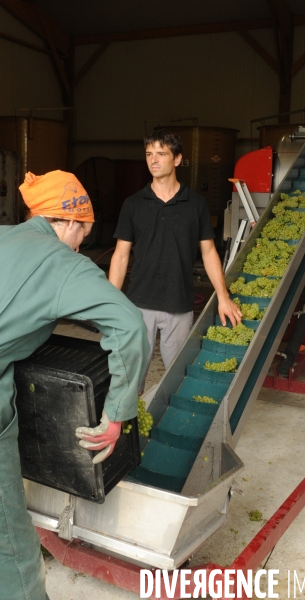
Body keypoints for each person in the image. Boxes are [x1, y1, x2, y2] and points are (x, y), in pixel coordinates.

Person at [0, 170, 149, 600]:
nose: (81, 243)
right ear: (68, 222)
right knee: (11, 548)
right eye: (82, 232)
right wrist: (117, 414)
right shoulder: (61, 261)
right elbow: (129, 327)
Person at [109, 129, 242, 394]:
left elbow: (209, 253)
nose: (153, 160)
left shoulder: (196, 204)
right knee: (129, 382)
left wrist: (223, 296)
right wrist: (111, 304)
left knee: (179, 381)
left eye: (161, 154)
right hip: (138, 305)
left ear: (177, 159)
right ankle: (129, 433)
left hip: (179, 305)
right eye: (149, 154)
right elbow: (121, 256)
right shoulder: (133, 204)